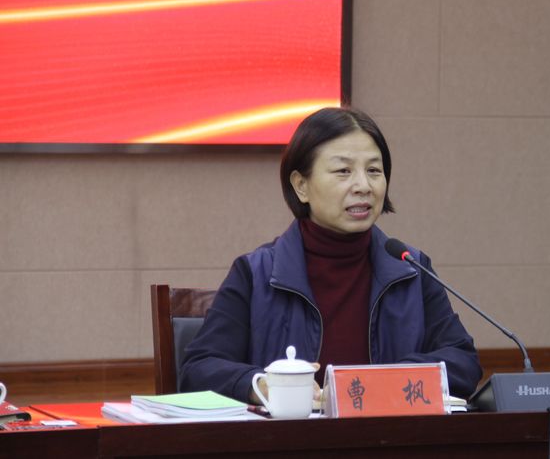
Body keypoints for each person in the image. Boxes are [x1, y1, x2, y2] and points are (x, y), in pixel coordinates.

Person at [180, 107, 482, 402]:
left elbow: (463, 361)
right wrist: (262, 385)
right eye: (343, 171)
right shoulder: (256, 273)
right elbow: (199, 368)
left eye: (374, 171)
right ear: (301, 186)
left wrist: (386, 383)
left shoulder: (411, 270)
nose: (363, 186)